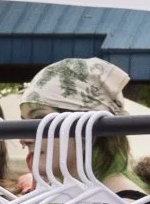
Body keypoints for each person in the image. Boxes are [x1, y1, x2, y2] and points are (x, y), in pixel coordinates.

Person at [18, 57, 144, 195]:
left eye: (40, 120)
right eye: (25, 123)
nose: (23, 139)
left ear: (86, 127)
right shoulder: (56, 200)